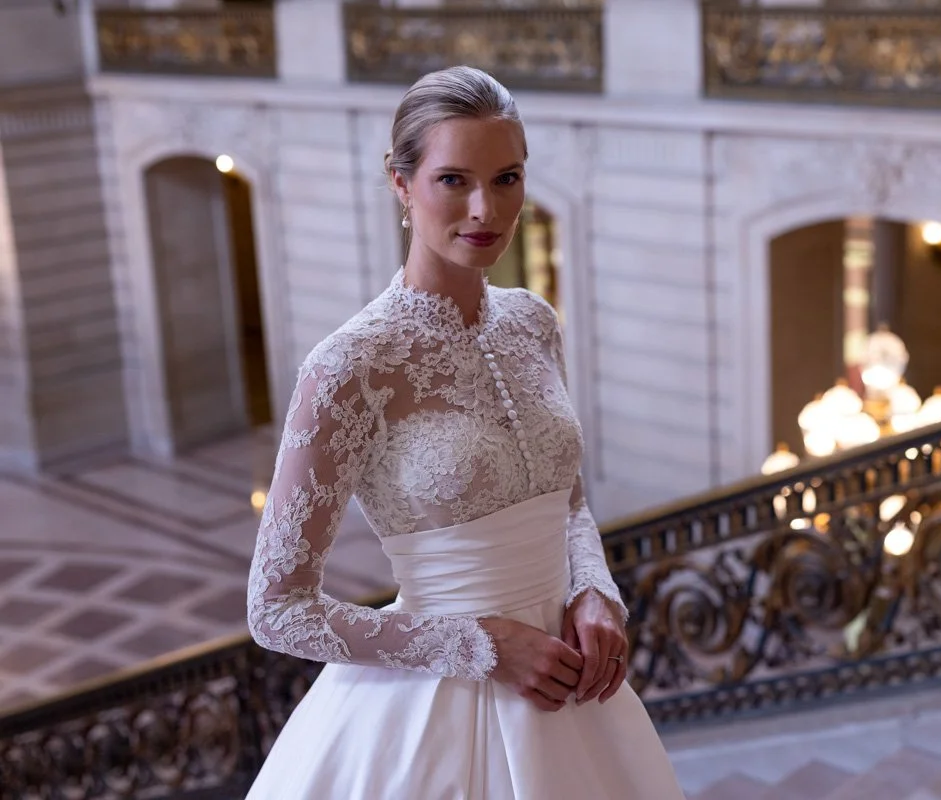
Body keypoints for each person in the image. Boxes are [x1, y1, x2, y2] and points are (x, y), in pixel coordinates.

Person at [244, 65, 685, 799]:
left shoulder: (533, 323)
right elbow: (276, 610)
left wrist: (596, 594)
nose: (487, 209)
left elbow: (567, 502)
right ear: (400, 184)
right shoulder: (349, 366)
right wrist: (481, 644)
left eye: (507, 178)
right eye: (454, 180)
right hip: (434, 715)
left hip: (575, 693)